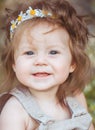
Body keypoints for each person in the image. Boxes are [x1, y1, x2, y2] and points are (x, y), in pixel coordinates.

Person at [0, 0, 94, 130]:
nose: (40, 61)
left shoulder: (76, 97)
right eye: (29, 52)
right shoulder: (15, 111)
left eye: (53, 52)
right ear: (14, 63)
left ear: (72, 63)